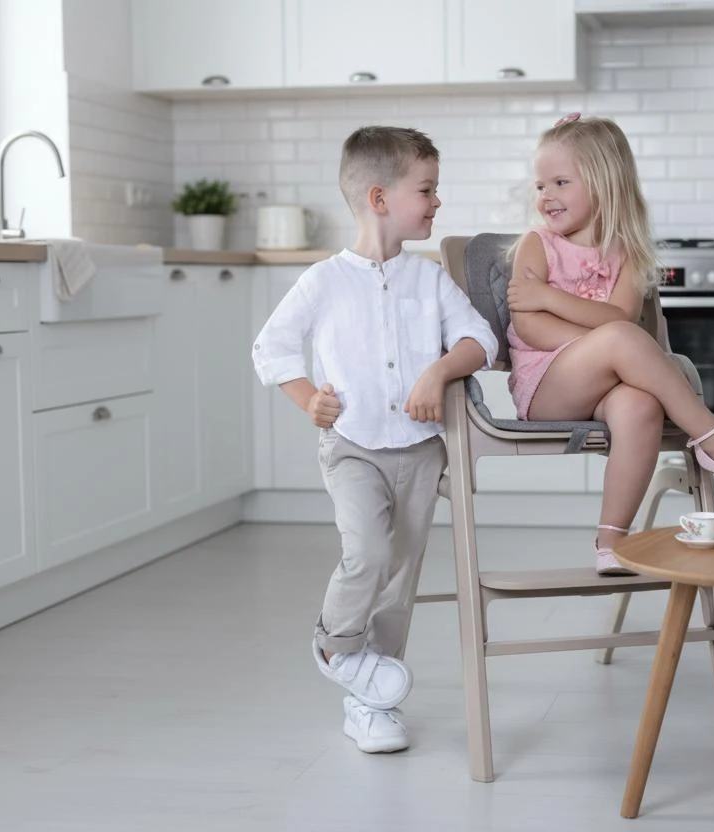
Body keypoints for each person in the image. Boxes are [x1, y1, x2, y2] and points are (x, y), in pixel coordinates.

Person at [251, 126, 497, 753]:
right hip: (353, 447)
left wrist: (439, 371)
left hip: (420, 451)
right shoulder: (324, 281)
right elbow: (271, 347)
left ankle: (372, 703)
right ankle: (335, 646)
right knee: (366, 553)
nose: (437, 201)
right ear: (380, 198)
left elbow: (480, 339)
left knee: (399, 578)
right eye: (427, 189)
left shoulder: (429, 279)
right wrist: (309, 399)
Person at [505, 113, 714, 576]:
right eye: (540, 185)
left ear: (605, 184)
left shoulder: (627, 252)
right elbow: (531, 327)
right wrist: (609, 345)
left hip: (606, 385)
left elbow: (619, 318)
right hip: (548, 388)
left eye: (560, 182)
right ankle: (713, 438)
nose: (546, 196)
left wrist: (562, 306)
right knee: (622, 338)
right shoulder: (537, 245)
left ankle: (611, 540)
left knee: (641, 405)